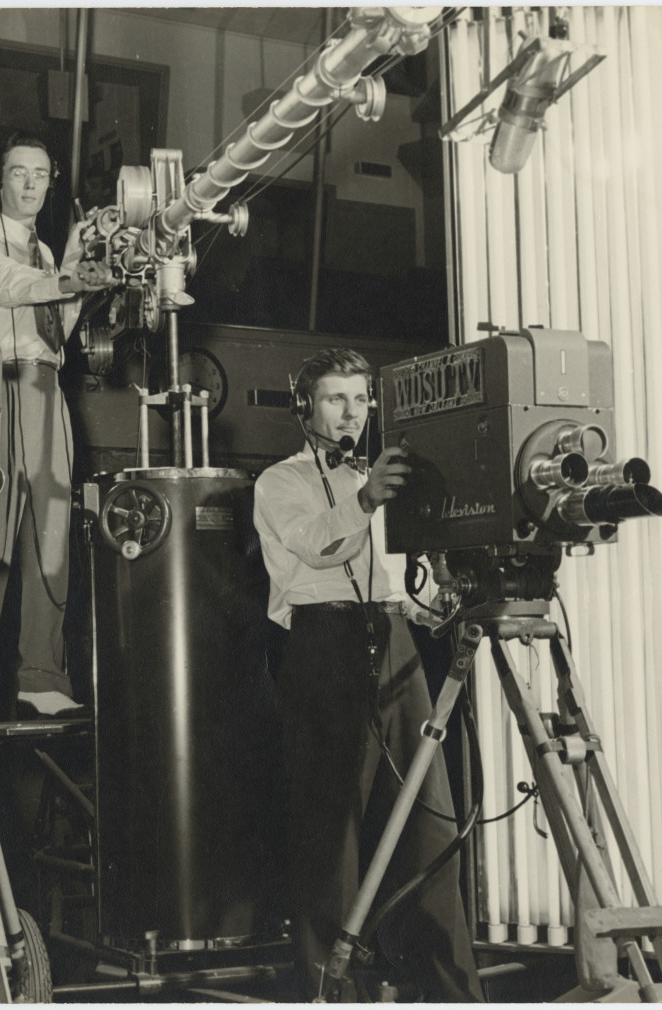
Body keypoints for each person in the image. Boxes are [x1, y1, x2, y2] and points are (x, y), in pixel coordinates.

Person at [252, 348, 483, 1002]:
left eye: (359, 401)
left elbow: (394, 579)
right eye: (334, 400)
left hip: (396, 640)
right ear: (305, 409)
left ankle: (452, 990)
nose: (350, 414)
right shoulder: (280, 483)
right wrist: (366, 497)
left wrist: (439, 596)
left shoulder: (379, 480)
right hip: (321, 644)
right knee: (333, 835)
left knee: (430, 821)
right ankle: (334, 993)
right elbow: (318, 545)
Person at [0, 132, 112, 719]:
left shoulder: (46, 256)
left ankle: (41, 676)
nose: (29, 184)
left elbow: (55, 331)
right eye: (18, 172)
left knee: (52, 530)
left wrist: (73, 264)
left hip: (47, 387)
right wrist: (66, 280)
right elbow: (3, 287)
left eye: (40, 175)